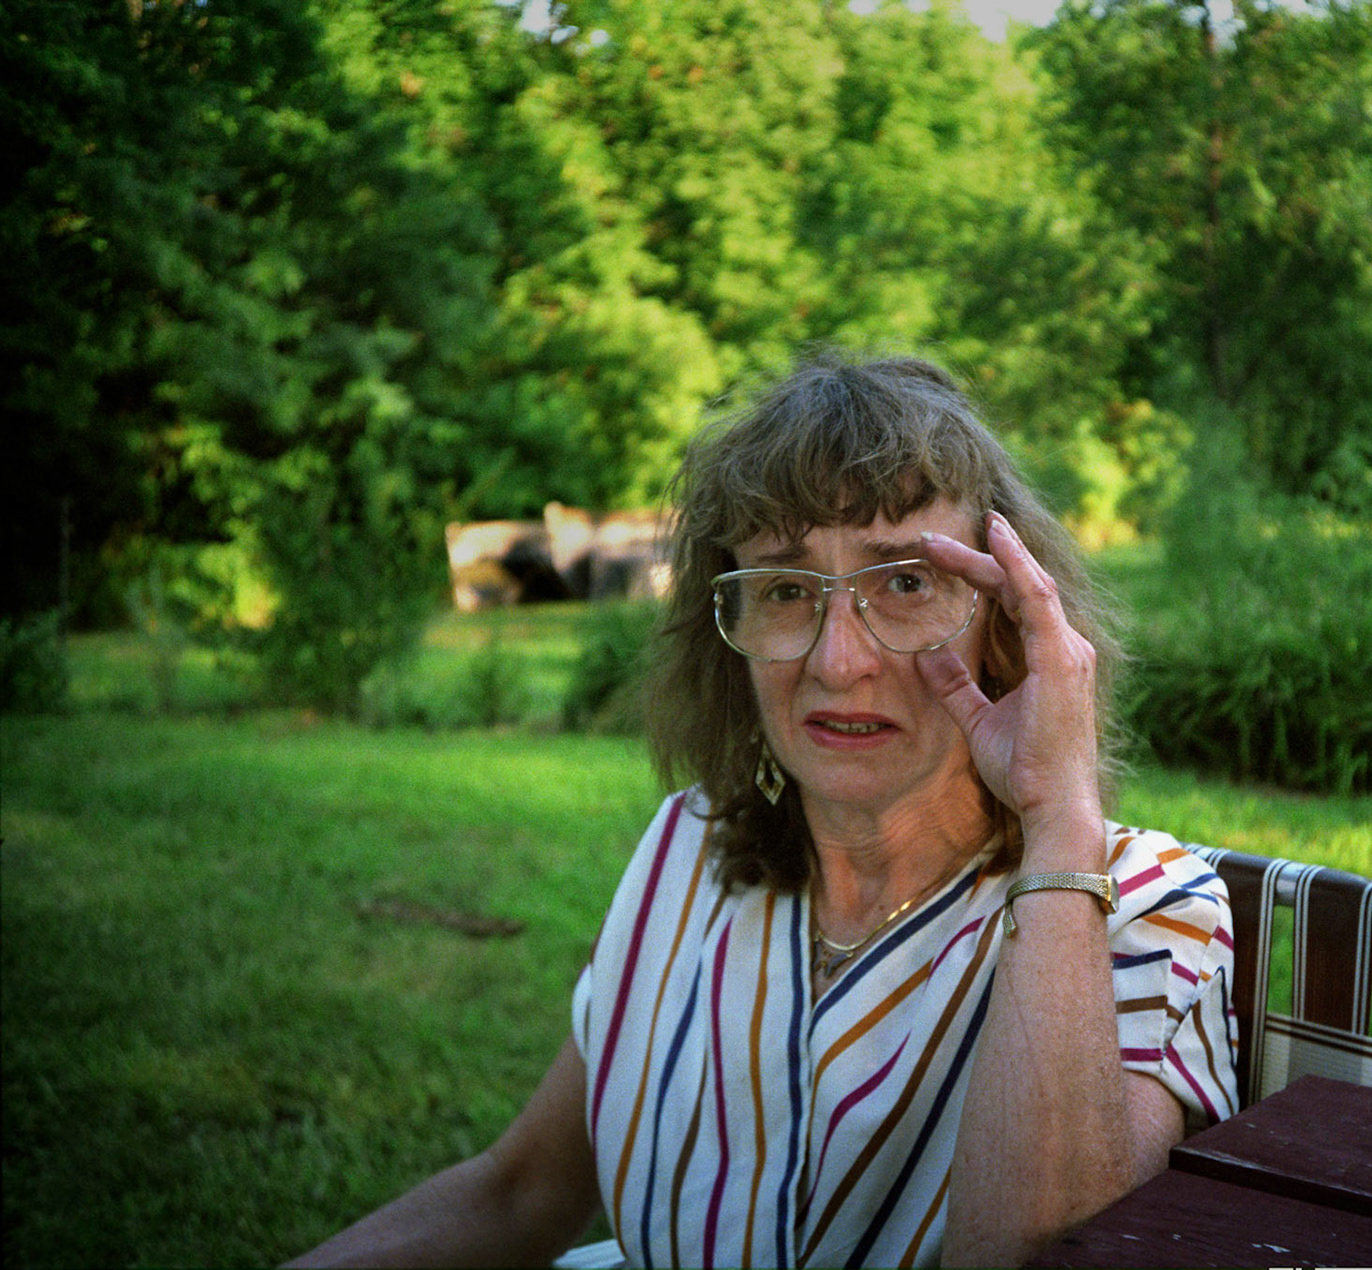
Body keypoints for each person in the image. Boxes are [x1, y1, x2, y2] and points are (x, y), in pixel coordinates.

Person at [287, 355, 1236, 1269]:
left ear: (1010, 617)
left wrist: (1059, 817)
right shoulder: (688, 852)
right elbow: (518, 1194)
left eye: (904, 581)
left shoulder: (1150, 908)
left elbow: (1038, 1257)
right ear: (727, 634)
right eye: (785, 588)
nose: (836, 661)